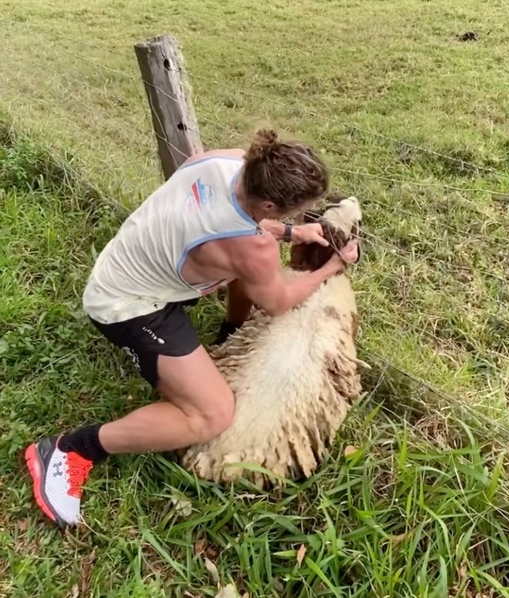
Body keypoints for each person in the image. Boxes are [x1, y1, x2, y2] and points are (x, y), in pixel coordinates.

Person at [24, 129, 359, 528]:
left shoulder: (224, 161)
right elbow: (278, 301)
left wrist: (293, 231)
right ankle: (71, 451)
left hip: (127, 261)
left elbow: (236, 222)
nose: (297, 216)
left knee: (250, 271)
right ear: (270, 203)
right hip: (127, 307)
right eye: (293, 211)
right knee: (212, 415)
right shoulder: (252, 248)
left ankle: (229, 334)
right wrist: (331, 268)